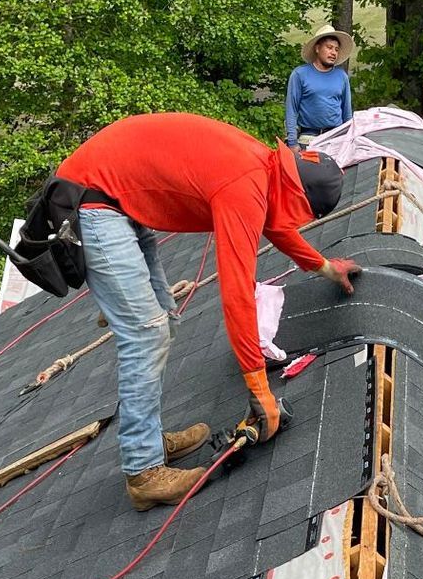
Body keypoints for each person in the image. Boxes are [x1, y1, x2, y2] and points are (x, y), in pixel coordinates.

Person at [34, 112, 361, 510]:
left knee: (162, 322)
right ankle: (143, 472)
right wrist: (259, 387)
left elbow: (275, 226)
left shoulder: (265, 168)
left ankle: (147, 440)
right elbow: (238, 291)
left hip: (114, 195)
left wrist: (324, 267)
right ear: (297, 196)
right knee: (145, 334)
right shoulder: (244, 185)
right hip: (92, 200)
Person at [285, 26, 354, 143]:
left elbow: (347, 113)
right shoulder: (300, 74)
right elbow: (291, 109)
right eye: (329, 48)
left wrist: (350, 140)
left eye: (336, 50)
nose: (333, 53)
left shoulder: (342, 77)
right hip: (308, 138)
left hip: (336, 138)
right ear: (317, 48)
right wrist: (292, 142)